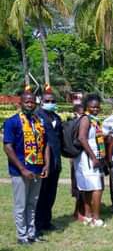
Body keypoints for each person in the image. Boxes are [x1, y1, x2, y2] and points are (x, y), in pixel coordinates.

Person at [4, 92, 51, 244]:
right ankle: (22, 236)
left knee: (32, 204)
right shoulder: (12, 122)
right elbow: (7, 147)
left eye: (32, 102)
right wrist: (22, 169)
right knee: (21, 205)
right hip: (20, 171)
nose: (30, 104)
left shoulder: (40, 121)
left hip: (37, 169)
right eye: (27, 102)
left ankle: (32, 234)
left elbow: (46, 145)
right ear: (20, 103)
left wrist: (46, 164)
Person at [75, 94, 106, 227]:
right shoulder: (86, 119)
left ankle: (88, 216)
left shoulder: (95, 120)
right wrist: (93, 157)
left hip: (94, 157)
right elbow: (82, 138)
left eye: (97, 106)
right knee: (97, 187)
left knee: (89, 187)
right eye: (92, 107)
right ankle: (96, 218)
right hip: (88, 158)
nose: (95, 109)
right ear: (86, 106)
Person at [34, 88, 62, 231]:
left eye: (52, 101)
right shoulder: (36, 117)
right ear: (41, 102)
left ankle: (46, 221)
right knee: (40, 193)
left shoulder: (57, 118)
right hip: (42, 162)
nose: (50, 103)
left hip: (56, 161)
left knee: (51, 193)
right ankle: (37, 223)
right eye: (47, 101)